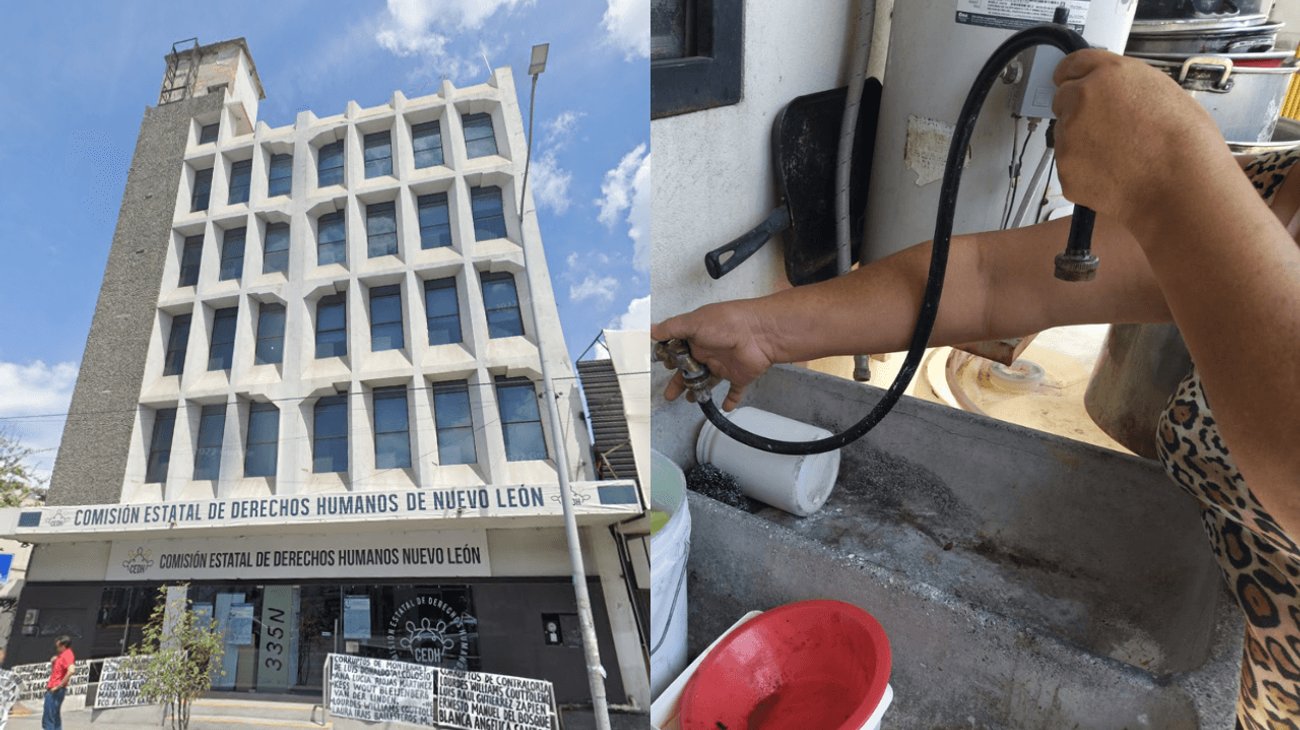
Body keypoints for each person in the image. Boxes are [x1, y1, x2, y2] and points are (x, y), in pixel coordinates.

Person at [653, 49, 1300, 728]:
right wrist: (762, 330)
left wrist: (1172, 174)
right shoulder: (1263, 197)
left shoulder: (1198, 194)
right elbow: (991, 280)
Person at [43, 636, 73, 730]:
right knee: (55, 716)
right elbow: (57, 672)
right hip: (55, 688)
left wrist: (59, 686)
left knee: (48, 718)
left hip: (55, 690)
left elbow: (71, 670)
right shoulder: (62, 655)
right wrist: (54, 662)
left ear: (63, 646)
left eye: (58, 646)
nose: (56, 648)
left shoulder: (67, 655)